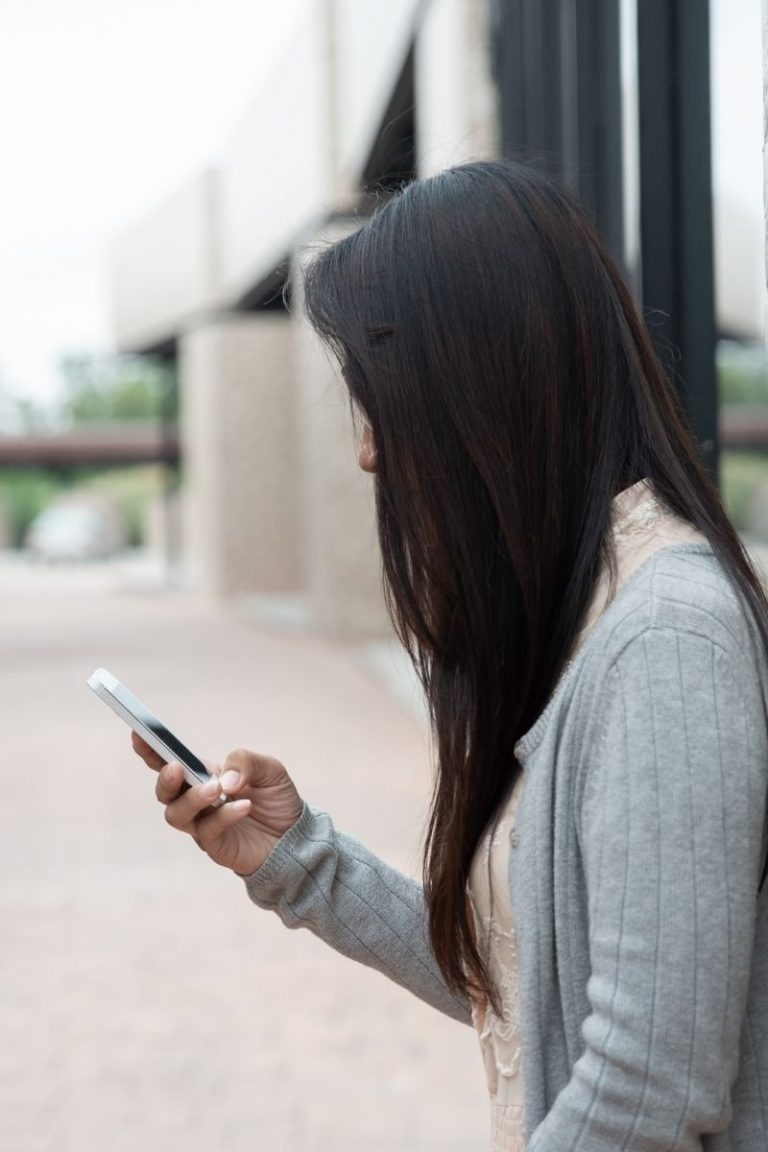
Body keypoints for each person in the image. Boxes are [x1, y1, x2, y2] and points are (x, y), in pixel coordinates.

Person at [132, 161, 768, 1151]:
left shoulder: (668, 640)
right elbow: (531, 991)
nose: (368, 452)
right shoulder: (595, 616)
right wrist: (300, 861)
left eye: (378, 399)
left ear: (475, 388)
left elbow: (650, 1091)